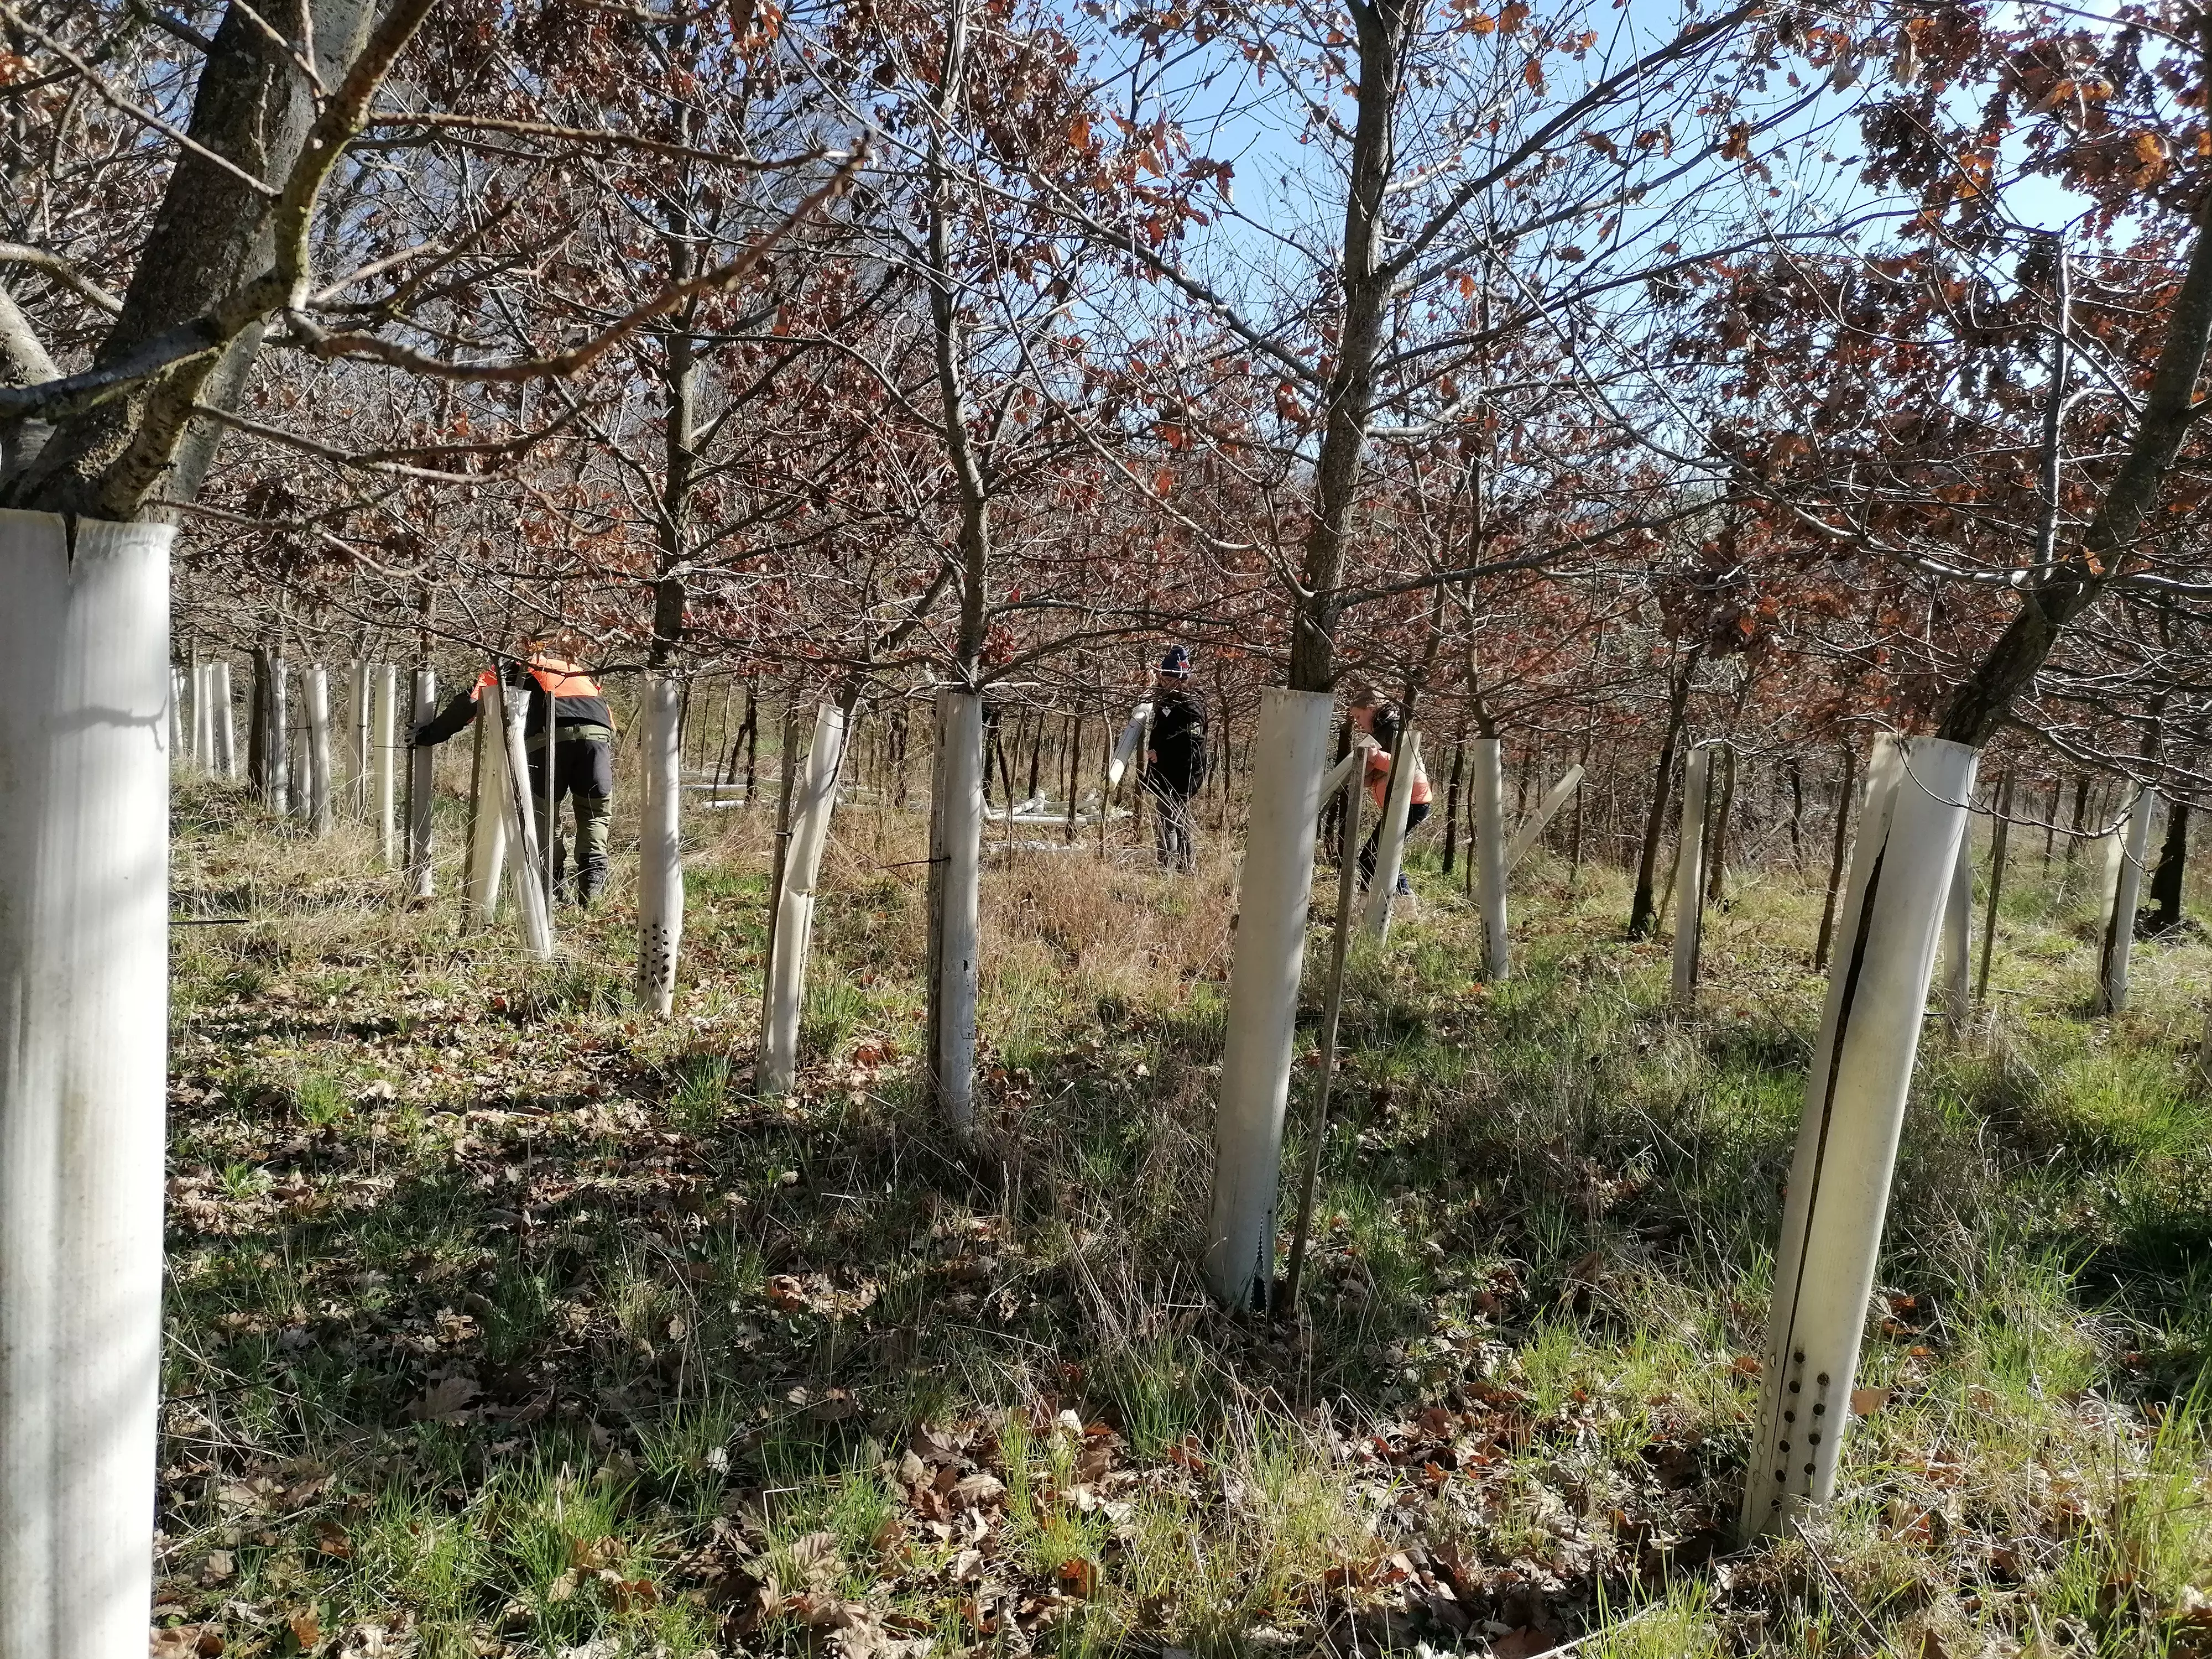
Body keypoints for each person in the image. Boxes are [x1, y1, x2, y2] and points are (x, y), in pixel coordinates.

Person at [413, 641, 616, 905]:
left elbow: (470, 702)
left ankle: (550, 894)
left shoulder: (512, 667)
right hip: (598, 740)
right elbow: (608, 719)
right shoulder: (575, 670)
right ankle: (592, 894)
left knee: (544, 817)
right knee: (595, 814)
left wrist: (428, 735)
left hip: (548, 738)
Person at [1350, 695, 1432, 894]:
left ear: (1371, 708)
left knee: (1372, 856)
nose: (1358, 722)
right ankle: (1387, 905)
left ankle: (1392, 905)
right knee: (1380, 855)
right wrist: (1371, 779)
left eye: (1358, 716)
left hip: (1411, 800)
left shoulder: (1394, 728)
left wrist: (1376, 757)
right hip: (1405, 800)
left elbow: (1404, 764)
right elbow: (1387, 771)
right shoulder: (1383, 731)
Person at [1142, 645, 1208, 872]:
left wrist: (1160, 754)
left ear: (1179, 680)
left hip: (1180, 775)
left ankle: (1168, 870)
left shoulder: (1190, 708)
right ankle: (1184, 868)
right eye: (1162, 678)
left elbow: (1191, 746)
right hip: (1167, 772)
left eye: (1167, 678)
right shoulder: (1169, 702)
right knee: (1179, 819)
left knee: (1168, 822)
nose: (1162, 681)